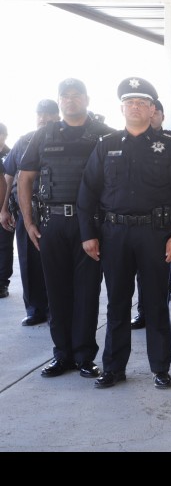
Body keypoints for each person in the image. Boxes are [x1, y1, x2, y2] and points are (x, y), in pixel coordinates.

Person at [77, 77, 171, 389]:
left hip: (155, 234)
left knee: (156, 303)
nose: (136, 107)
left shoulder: (169, 146)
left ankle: (160, 368)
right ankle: (114, 368)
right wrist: (88, 233)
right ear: (122, 108)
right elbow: (87, 191)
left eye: (142, 102)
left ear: (152, 109)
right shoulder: (107, 145)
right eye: (130, 102)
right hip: (114, 234)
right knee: (117, 302)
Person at [17, 78, 113, 379]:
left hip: (90, 224)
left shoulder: (104, 134)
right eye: (65, 96)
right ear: (59, 101)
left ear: (87, 99)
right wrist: (28, 222)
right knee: (56, 291)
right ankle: (62, 355)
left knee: (87, 291)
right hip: (52, 223)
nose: (71, 100)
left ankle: (84, 356)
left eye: (76, 95)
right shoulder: (43, 134)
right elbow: (25, 178)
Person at [1, 99, 59, 326]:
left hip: (55, 213)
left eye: (49, 114)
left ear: (57, 116)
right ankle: (35, 310)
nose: (44, 118)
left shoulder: (66, 139)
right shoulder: (23, 141)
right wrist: (4, 208)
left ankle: (57, 309)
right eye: (40, 114)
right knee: (28, 262)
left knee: (56, 262)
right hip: (26, 212)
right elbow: (8, 177)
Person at [131, 98, 171, 330]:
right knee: (139, 274)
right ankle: (142, 312)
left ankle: (157, 311)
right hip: (131, 224)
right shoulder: (128, 141)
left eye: (157, 112)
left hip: (159, 224)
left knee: (158, 276)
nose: (153, 115)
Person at [0, 123, 12, 299]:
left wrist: (5, 208)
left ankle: (2, 283)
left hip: (5, 207)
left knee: (3, 246)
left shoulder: (10, 155)